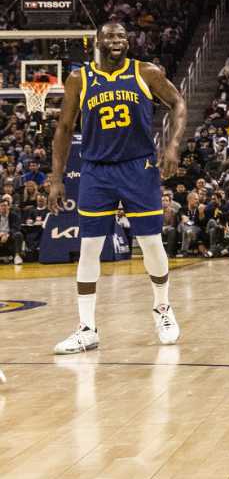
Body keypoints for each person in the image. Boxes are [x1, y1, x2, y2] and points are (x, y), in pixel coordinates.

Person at [47, 20, 189, 353]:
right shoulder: (79, 79)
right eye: (110, 36)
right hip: (96, 170)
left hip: (138, 167)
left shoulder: (146, 72)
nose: (117, 41)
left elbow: (179, 103)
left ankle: (163, 309)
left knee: (152, 242)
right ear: (97, 41)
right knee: (89, 248)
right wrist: (57, 179)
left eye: (122, 36)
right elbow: (64, 129)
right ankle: (86, 328)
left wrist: (173, 145)